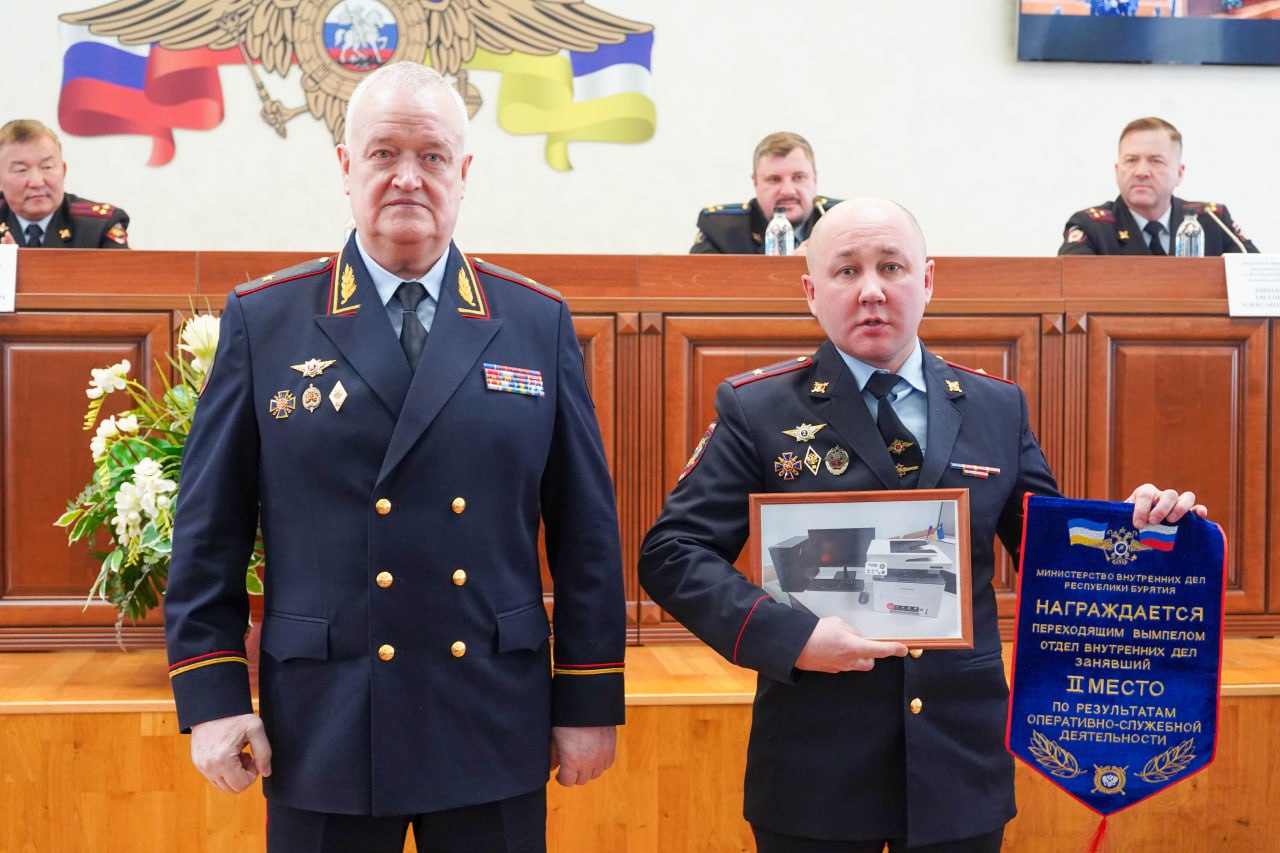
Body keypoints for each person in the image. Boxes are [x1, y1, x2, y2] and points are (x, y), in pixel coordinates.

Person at [640, 197, 1206, 852]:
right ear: (812, 293)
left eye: (892, 267)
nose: (872, 291)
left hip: (959, 761)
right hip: (815, 766)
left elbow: (1051, 551)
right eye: (846, 271)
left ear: (928, 280)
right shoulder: (758, 407)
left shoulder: (996, 405)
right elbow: (673, 553)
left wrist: (1139, 531)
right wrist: (791, 637)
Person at [164, 62, 625, 853]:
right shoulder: (266, 320)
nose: (408, 176)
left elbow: (586, 533)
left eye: (432, 155)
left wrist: (586, 698)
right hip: (326, 718)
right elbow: (210, 530)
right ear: (346, 166)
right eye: (384, 153)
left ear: (463, 173)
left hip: (488, 709)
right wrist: (213, 696)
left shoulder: (535, 321)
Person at [1058, 117, 1257, 256]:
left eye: (1156, 161)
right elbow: (1071, 289)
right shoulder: (1092, 228)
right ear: (1117, 170)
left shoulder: (1213, 221)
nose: (1141, 172)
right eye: (1131, 160)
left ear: (1179, 173)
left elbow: (1256, 282)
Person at [690, 131, 840, 254]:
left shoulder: (842, 221)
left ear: (815, 178)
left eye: (798, 177)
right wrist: (790, 267)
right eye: (774, 179)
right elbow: (697, 280)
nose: (787, 191)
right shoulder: (721, 230)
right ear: (755, 182)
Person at [0, 119, 129, 248]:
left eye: (47, 167)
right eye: (21, 170)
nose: (37, 182)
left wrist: (20, 260)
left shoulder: (99, 225)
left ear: (63, 171)